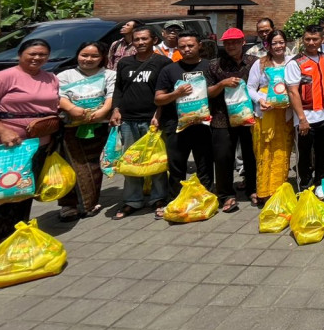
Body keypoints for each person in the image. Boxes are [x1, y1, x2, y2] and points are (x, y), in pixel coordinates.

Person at [0, 39, 58, 255]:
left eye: (42, 54)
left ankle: (18, 236)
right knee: (6, 194)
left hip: (39, 143)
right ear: (20, 54)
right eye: (32, 53)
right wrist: (2, 131)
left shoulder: (50, 78)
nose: (37, 58)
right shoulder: (4, 77)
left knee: (25, 192)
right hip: (9, 147)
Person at [110, 26, 170, 219]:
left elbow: (165, 92)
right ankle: (132, 200)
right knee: (131, 162)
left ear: (154, 40)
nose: (140, 42)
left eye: (144, 39)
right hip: (128, 120)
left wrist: (159, 114)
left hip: (152, 120)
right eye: (136, 40)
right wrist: (116, 109)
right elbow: (118, 89)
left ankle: (159, 198)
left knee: (157, 161)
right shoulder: (125, 63)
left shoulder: (162, 63)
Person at [56, 41, 115, 220]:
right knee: (72, 166)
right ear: (77, 55)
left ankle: (89, 204)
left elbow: (112, 95)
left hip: (100, 126)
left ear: (102, 58)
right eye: (84, 55)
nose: (88, 59)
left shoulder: (110, 74)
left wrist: (103, 112)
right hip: (72, 128)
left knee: (94, 166)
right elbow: (59, 96)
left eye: (94, 56)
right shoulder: (65, 75)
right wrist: (72, 109)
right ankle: (68, 205)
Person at [154, 30, 215, 201]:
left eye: (190, 45)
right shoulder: (169, 70)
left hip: (204, 125)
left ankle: (206, 199)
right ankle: (175, 200)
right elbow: (158, 99)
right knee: (176, 166)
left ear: (199, 45)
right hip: (176, 125)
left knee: (205, 165)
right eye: (182, 47)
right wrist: (176, 93)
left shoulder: (210, 66)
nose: (187, 49)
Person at [207, 28, 257, 210]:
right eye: (227, 42)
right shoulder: (215, 65)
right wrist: (222, 84)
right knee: (222, 157)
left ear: (243, 42)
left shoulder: (254, 63)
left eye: (235, 42)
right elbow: (207, 93)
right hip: (222, 118)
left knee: (252, 154)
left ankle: (253, 188)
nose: (231, 46)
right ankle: (226, 194)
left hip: (249, 117)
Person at [246, 29, 297, 201]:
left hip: (285, 115)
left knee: (282, 153)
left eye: (281, 42)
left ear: (286, 43)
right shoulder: (260, 63)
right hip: (265, 115)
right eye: (274, 43)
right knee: (264, 152)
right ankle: (264, 191)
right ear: (268, 45)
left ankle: (279, 191)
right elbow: (250, 87)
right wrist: (260, 100)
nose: (278, 46)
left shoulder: (292, 62)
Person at [287, 25, 324, 197]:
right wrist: (301, 119)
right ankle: (304, 186)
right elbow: (293, 92)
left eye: (315, 39)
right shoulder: (296, 63)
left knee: (323, 153)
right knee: (304, 155)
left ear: (322, 39)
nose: (311, 42)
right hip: (306, 117)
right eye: (307, 39)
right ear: (303, 40)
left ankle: (320, 182)